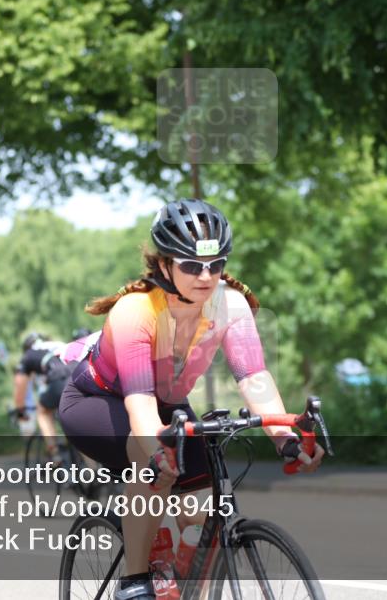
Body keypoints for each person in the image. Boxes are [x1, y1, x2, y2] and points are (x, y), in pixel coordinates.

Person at [57, 198, 324, 600]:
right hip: (98, 402)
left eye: (216, 265)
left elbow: (253, 377)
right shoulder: (136, 311)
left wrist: (284, 436)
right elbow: (140, 404)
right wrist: (157, 452)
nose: (206, 276)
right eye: (191, 266)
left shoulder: (230, 304)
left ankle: (179, 575)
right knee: (153, 463)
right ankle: (135, 581)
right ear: (165, 265)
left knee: (200, 510)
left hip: (166, 404)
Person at [12, 332, 73, 461]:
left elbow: (20, 386)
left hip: (60, 379)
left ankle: (55, 455)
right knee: (75, 426)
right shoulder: (59, 344)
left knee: (42, 412)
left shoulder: (29, 355)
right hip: (80, 375)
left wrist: (20, 411)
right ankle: (93, 467)